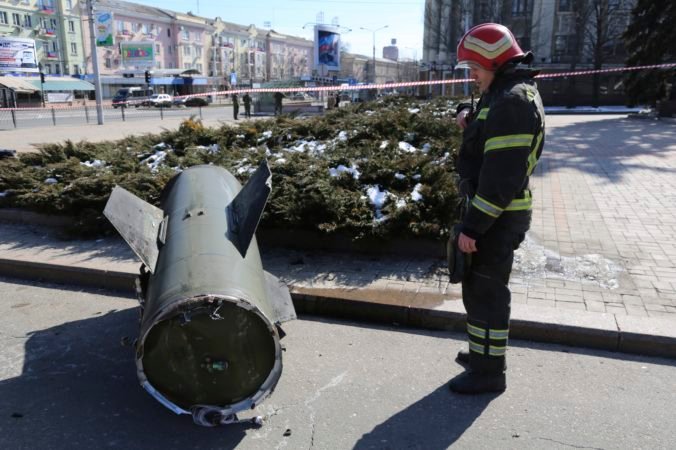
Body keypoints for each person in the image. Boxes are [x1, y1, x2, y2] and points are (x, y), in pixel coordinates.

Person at [448, 23, 545, 394]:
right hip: (494, 215)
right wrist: (466, 116)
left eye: (474, 67)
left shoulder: (512, 101)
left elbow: (501, 178)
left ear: (493, 60)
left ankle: (489, 374)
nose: (472, 76)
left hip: (496, 217)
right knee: (478, 289)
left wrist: (473, 227)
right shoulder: (504, 92)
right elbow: (487, 129)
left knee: (487, 293)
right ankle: (481, 355)